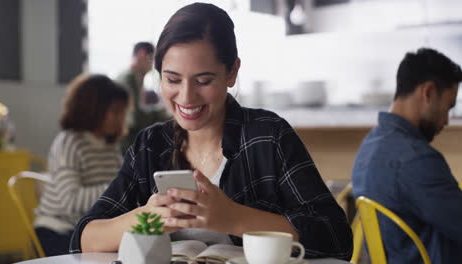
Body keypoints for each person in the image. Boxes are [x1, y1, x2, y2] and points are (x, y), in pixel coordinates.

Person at [70, 3, 352, 260]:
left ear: (232, 73)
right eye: (172, 79)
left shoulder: (268, 136)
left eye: (203, 80)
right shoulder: (150, 144)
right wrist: (147, 217)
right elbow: (84, 238)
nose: (186, 96)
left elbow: (337, 237)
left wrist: (232, 217)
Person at [352, 48, 462, 263]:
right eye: (448, 107)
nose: (447, 121)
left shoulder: (370, 145)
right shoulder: (416, 159)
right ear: (428, 92)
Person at [34, 74, 129, 256]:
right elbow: (71, 201)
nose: (121, 118)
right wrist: (117, 189)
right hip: (58, 228)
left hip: (90, 227)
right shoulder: (69, 142)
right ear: (93, 110)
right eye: (115, 111)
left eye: (123, 112)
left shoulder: (110, 145)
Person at [117, 42, 170, 153]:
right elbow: (134, 118)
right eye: (151, 59)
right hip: (126, 144)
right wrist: (159, 115)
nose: (153, 64)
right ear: (141, 55)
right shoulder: (128, 79)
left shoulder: (135, 78)